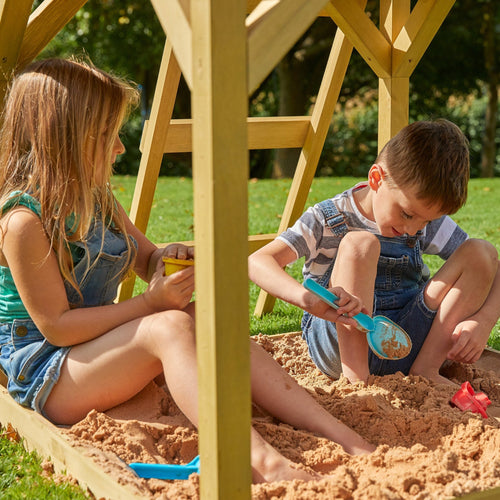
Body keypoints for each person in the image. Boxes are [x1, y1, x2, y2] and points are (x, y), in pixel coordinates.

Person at [0, 57, 375, 484]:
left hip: (95, 350)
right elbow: (59, 328)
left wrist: (166, 259)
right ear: (61, 140)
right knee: (169, 327)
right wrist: (150, 304)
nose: (120, 147)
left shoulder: (96, 198)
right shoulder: (22, 222)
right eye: (106, 135)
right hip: (49, 373)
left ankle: (332, 429)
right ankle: (258, 462)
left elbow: (146, 260)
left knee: (201, 319)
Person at [249, 119, 500, 386]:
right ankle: (357, 382)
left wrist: (484, 320)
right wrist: (307, 300)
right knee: (361, 245)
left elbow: (489, 268)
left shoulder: (421, 219)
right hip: (339, 346)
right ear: (376, 178)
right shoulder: (328, 218)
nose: (411, 230)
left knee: (481, 252)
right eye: (407, 214)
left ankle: (427, 369)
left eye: (425, 222)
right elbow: (258, 261)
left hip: (407, 341)